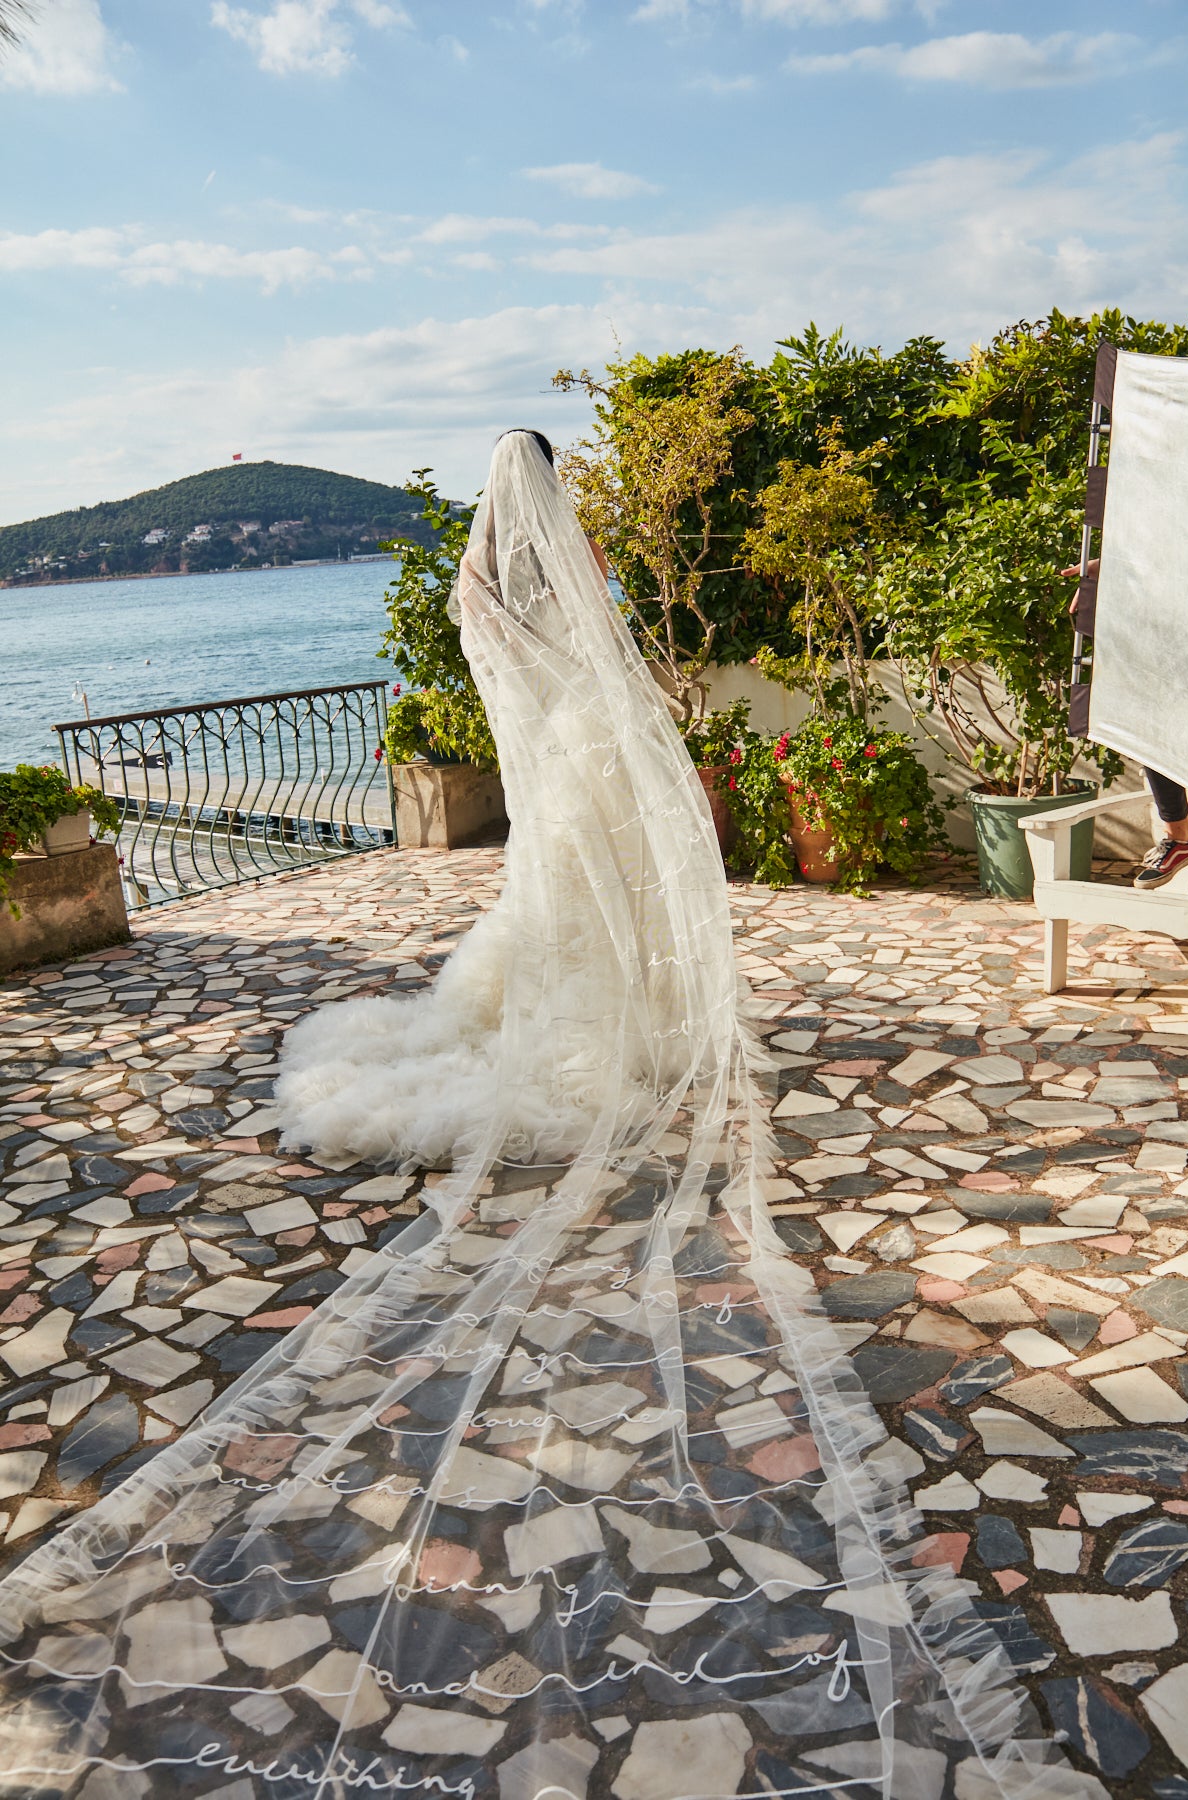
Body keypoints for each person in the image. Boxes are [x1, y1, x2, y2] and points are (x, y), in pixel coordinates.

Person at [0, 432, 1069, 1799]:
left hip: (559, 802)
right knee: (577, 952)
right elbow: (613, 713)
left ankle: (606, 1022)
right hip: (583, 793)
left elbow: (526, 671)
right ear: (552, 506)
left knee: (556, 945)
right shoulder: (574, 608)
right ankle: (619, 1027)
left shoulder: (487, 607)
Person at [1067, 556, 1188, 888]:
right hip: (1177, 613)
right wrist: (1113, 568)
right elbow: (1166, 534)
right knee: (1152, 720)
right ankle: (1180, 838)